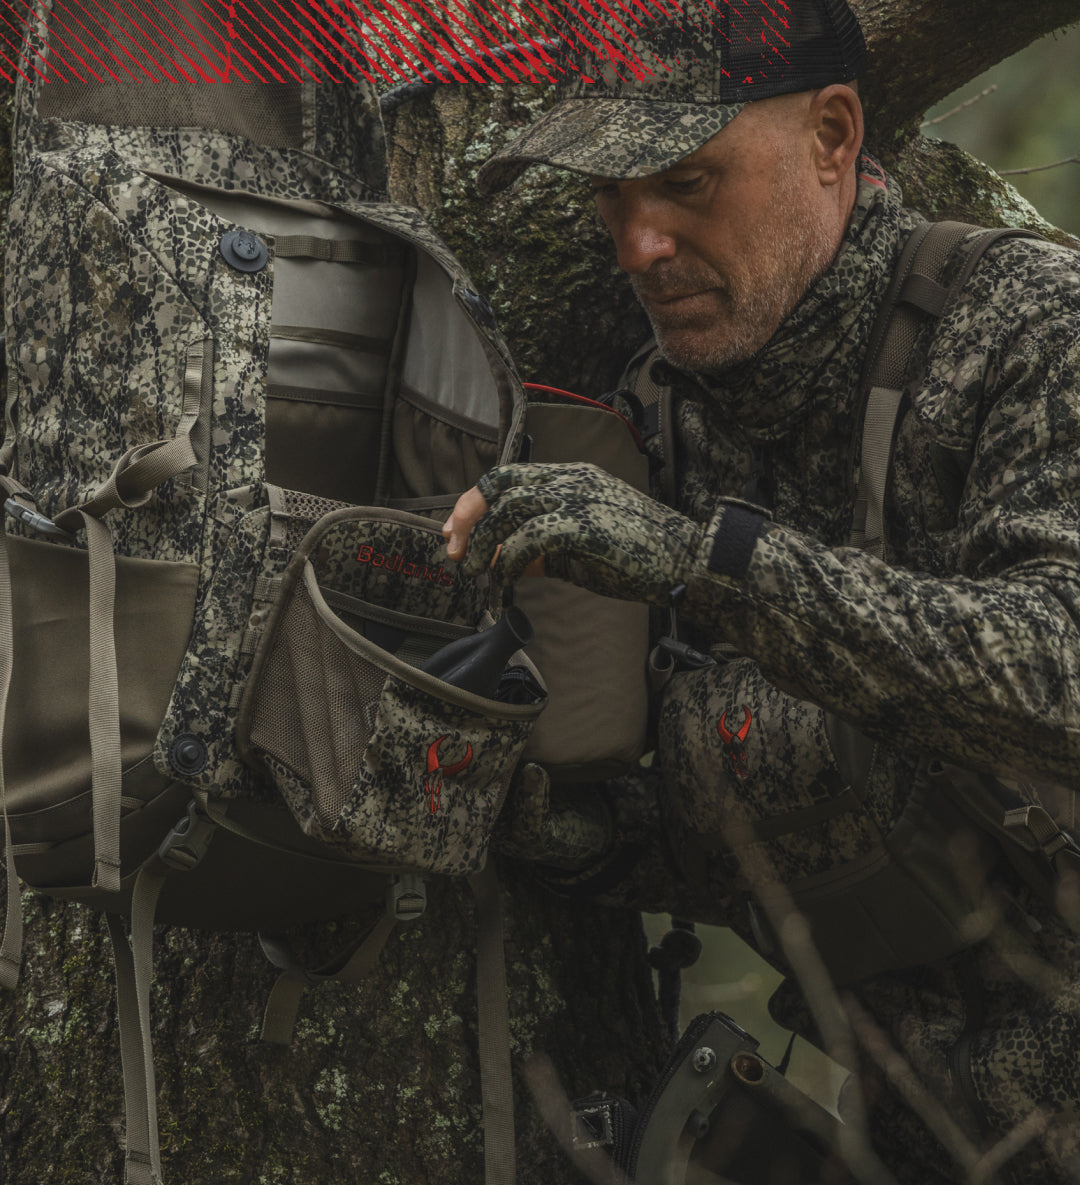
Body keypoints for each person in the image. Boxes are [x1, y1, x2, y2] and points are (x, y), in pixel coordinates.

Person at [442, 1, 1080, 1182]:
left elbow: (1061, 668)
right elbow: (794, 798)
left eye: (688, 180)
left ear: (834, 137)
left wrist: (710, 568)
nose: (639, 244)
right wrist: (588, 839)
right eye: (611, 197)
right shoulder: (661, 420)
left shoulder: (1031, 325)